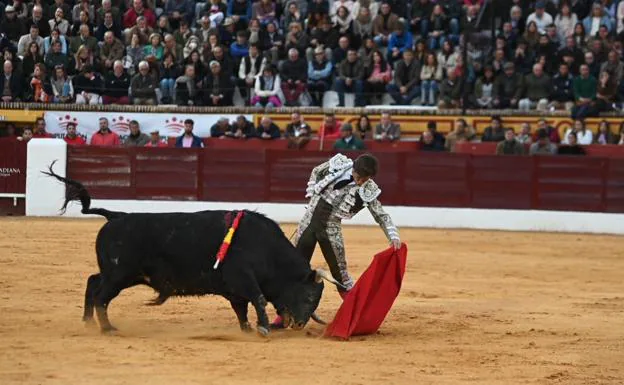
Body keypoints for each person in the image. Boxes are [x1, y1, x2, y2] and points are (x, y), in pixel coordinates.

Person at [271, 153, 401, 329]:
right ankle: (283, 317)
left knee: (341, 275)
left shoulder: (368, 188)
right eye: (359, 177)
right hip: (308, 224)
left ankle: (356, 318)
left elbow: (380, 214)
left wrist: (393, 235)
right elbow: (316, 171)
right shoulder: (338, 165)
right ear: (354, 169)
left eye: (365, 179)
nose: (361, 182)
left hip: (331, 230)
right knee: (293, 271)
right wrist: (311, 193)